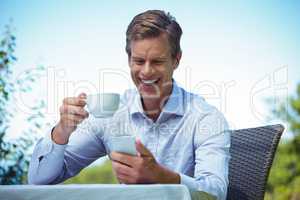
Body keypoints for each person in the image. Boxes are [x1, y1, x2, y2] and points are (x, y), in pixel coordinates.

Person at [28, 10, 230, 200]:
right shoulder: (112, 113)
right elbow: (39, 181)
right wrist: (61, 132)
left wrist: (161, 176)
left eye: (157, 61)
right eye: (139, 61)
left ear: (176, 60)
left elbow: (215, 194)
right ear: (129, 60)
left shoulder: (205, 117)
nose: (147, 72)